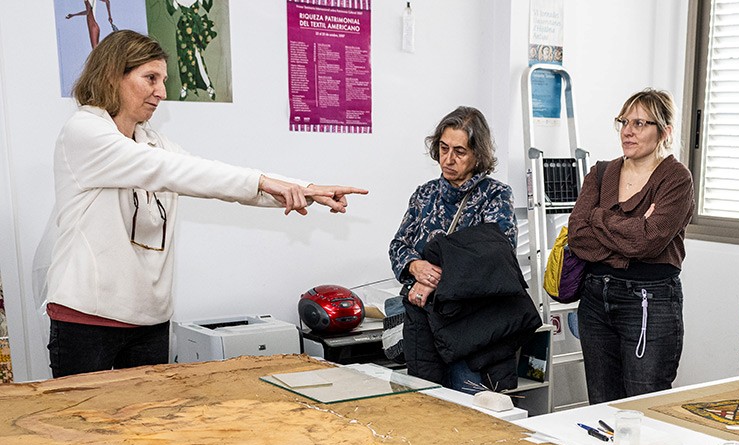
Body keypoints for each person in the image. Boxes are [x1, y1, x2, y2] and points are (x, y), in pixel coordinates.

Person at [42, 30, 366, 378]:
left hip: (150, 321)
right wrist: (263, 180)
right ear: (112, 75)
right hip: (88, 320)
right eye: (150, 78)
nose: (161, 93)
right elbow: (175, 171)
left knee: (149, 428)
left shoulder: (152, 141)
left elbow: (214, 179)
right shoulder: (84, 132)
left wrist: (305, 189)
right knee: (87, 429)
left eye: (163, 81)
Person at [389, 107, 535, 392]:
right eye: (443, 148)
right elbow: (398, 246)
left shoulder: (495, 195)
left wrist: (434, 281)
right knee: (426, 405)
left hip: (469, 329)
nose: (448, 159)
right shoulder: (424, 194)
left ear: (477, 155)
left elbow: (495, 259)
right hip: (424, 326)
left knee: (470, 412)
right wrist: (415, 266)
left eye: (460, 151)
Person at [568, 88, 694, 403]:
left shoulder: (676, 180)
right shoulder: (600, 173)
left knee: (644, 406)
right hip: (595, 299)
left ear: (664, 131)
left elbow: (647, 242)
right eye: (624, 121)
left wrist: (598, 217)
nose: (628, 131)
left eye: (639, 123)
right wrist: (632, 230)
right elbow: (577, 237)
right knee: (601, 405)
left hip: (649, 301)